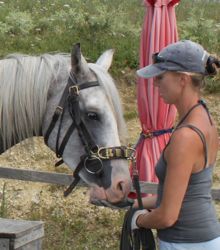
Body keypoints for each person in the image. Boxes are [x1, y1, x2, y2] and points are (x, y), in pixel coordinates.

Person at [131, 40, 220, 250]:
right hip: (200, 239)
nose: (155, 84)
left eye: (161, 77)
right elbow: (187, 193)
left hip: (186, 243)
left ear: (182, 79)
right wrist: (135, 203)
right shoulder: (204, 120)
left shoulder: (185, 136)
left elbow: (167, 216)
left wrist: (138, 220)